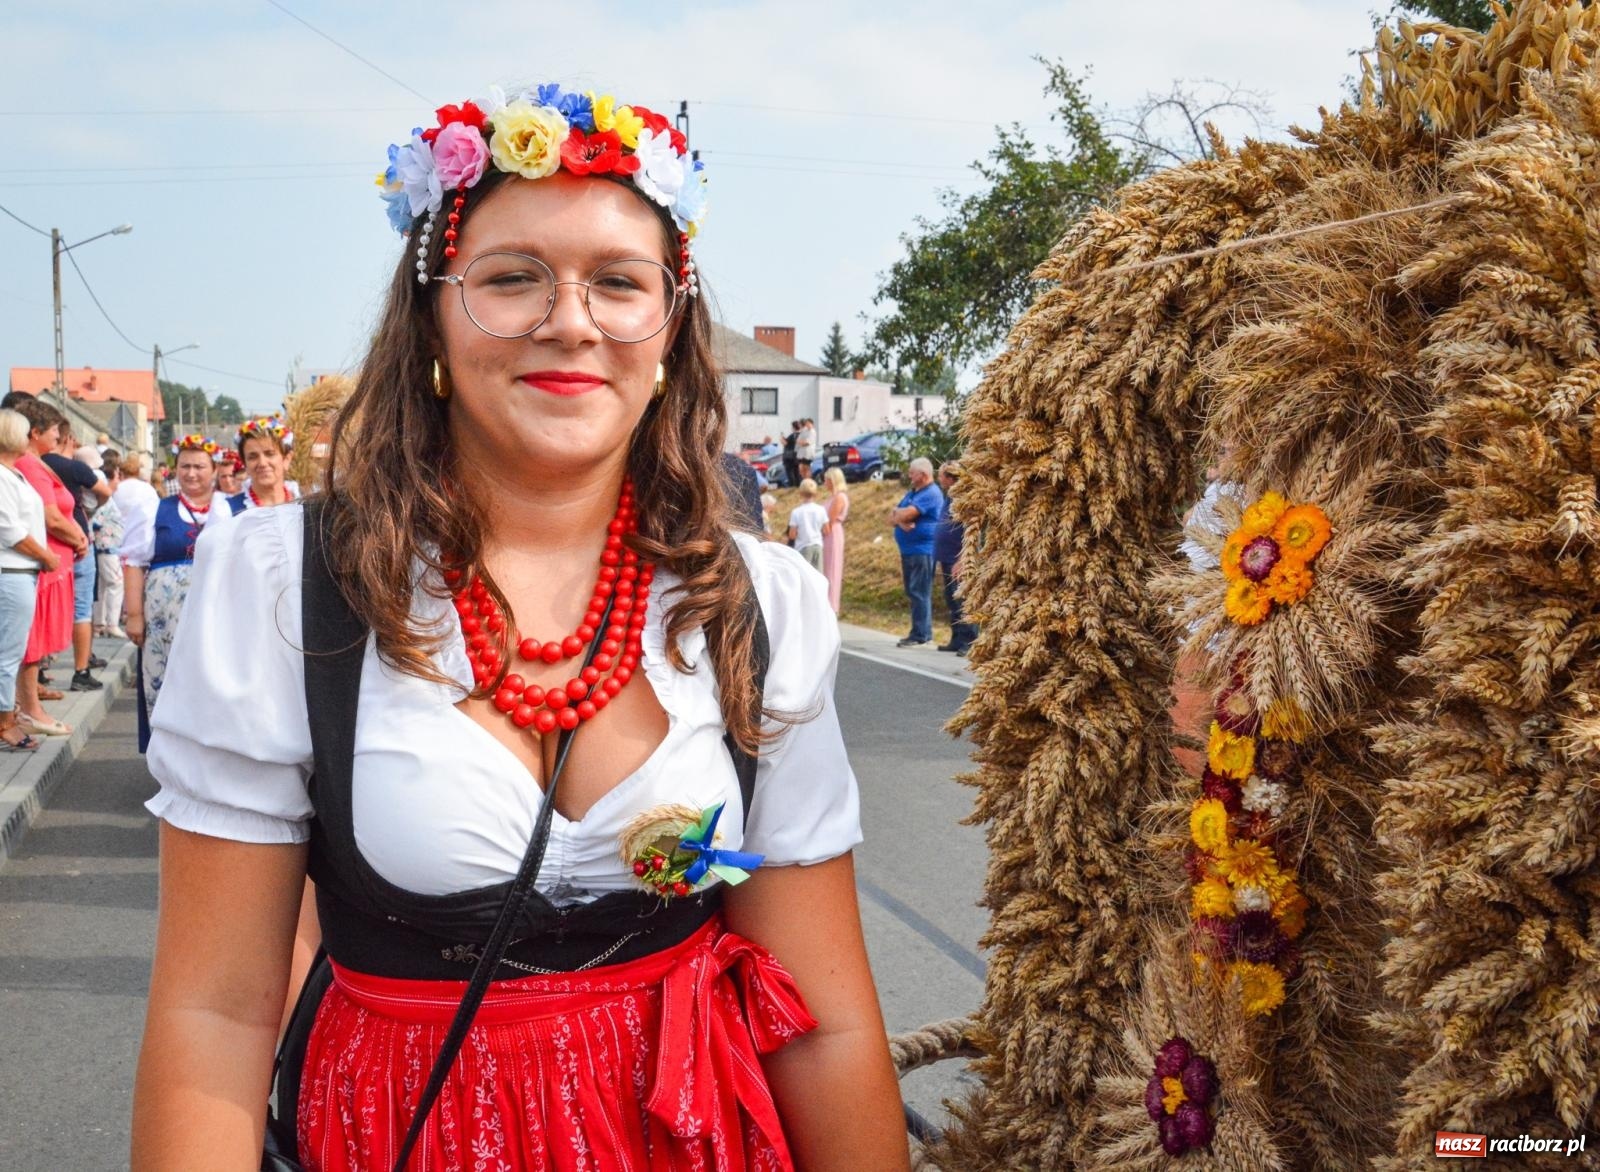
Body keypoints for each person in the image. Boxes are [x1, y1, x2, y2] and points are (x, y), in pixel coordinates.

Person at [132, 79, 907, 1172]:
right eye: (511, 278)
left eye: (619, 283)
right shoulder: (285, 585)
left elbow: (824, 1025)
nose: (570, 321)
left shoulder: (756, 603)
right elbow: (214, 1017)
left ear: (670, 329)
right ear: (433, 318)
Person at [120, 435, 228, 751]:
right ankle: (169, 759)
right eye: (185, 466)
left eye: (199, 466)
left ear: (214, 469)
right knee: (165, 682)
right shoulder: (154, 510)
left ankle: (211, 757)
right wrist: (135, 615)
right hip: (163, 620)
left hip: (214, 615)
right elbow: (134, 563)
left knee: (211, 682)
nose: (191, 473)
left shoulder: (228, 509)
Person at [12, 399, 85, 736]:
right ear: (35, 432)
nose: (60, 435)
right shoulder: (29, 465)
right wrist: (78, 538)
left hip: (54, 563)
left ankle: (25, 706)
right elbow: (50, 516)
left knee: (36, 641)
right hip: (46, 563)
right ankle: (30, 709)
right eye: (55, 429)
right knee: (33, 640)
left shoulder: (36, 463)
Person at [0, 408, 59, 750]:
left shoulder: (13, 473)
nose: (28, 439)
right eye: (24, 433)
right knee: (8, 652)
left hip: (20, 571)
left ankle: (7, 715)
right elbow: (9, 530)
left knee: (11, 650)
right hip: (11, 571)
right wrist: (45, 555)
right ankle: (5, 723)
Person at [43, 423, 110, 690]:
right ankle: (81, 671)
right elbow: (105, 492)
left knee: (47, 606)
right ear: (69, 438)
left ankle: (39, 669)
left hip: (47, 541)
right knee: (81, 609)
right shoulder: (75, 467)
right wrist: (91, 510)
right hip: (77, 538)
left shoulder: (36, 464)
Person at [889, 456, 943, 647]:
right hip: (909, 550)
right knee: (913, 591)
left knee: (919, 591)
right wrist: (900, 519)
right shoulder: (913, 493)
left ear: (923, 474)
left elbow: (907, 513)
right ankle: (919, 631)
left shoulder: (931, 493)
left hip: (922, 550)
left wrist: (900, 515)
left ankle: (921, 634)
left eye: (912, 473)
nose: (909, 476)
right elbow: (892, 516)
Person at [934, 461, 977, 654]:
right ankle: (957, 638)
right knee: (951, 599)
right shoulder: (949, 496)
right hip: (946, 556)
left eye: (941, 475)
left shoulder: (963, 499)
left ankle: (970, 640)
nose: (938, 478)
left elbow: (969, 532)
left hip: (957, 559)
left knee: (962, 599)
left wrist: (962, 560)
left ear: (950, 478)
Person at [224, 416, 296, 512]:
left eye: (270, 454)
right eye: (252, 457)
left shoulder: (303, 503)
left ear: (286, 459)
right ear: (245, 463)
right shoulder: (227, 510)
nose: (262, 463)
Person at [91, 457, 126, 638]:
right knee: (115, 583)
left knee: (103, 586)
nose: (119, 481)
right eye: (117, 477)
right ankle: (111, 623)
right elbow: (96, 521)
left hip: (106, 546)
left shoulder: (107, 499)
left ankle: (100, 623)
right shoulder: (105, 500)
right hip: (107, 546)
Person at [821, 466, 850, 614]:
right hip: (827, 534)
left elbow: (830, 521)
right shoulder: (831, 497)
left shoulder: (839, 498)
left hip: (832, 533)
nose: (825, 482)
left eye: (827, 480)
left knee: (832, 567)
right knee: (826, 568)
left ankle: (832, 605)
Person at [786, 478, 829, 572]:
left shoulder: (796, 512)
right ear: (815, 493)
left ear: (801, 493)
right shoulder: (821, 510)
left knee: (805, 574)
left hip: (803, 546)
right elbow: (826, 530)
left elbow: (792, 535)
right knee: (818, 574)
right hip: (817, 545)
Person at [781, 419, 800, 488]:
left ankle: (792, 486)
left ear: (793, 427)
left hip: (789, 457)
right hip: (797, 457)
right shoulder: (801, 435)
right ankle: (797, 485)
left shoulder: (793, 435)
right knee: (797, 472)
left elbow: (785, 443)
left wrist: (782, 438)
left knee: (790, 472)